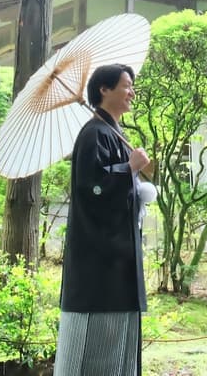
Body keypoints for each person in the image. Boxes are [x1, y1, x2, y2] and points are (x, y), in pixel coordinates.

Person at [54, 64, 151, 376]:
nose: (132, 92)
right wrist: (128, 169)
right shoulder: (93, 134)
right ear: (103, 90)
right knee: (95, 353)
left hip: (119, 261)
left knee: (120, 350)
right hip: (99, 265)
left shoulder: (114, 134)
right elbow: (90, 188)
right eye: (126, 85)